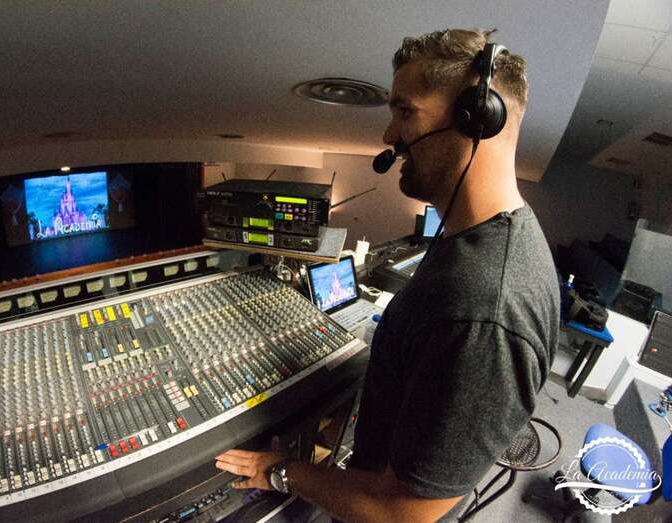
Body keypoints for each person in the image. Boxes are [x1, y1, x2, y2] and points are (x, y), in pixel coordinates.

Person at [215, 28, 559, 522]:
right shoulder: (490, 239)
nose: (388, 136)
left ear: (476, 118)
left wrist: (283, 471)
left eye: (405, 112)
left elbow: (404, 513)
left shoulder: (484, 307)